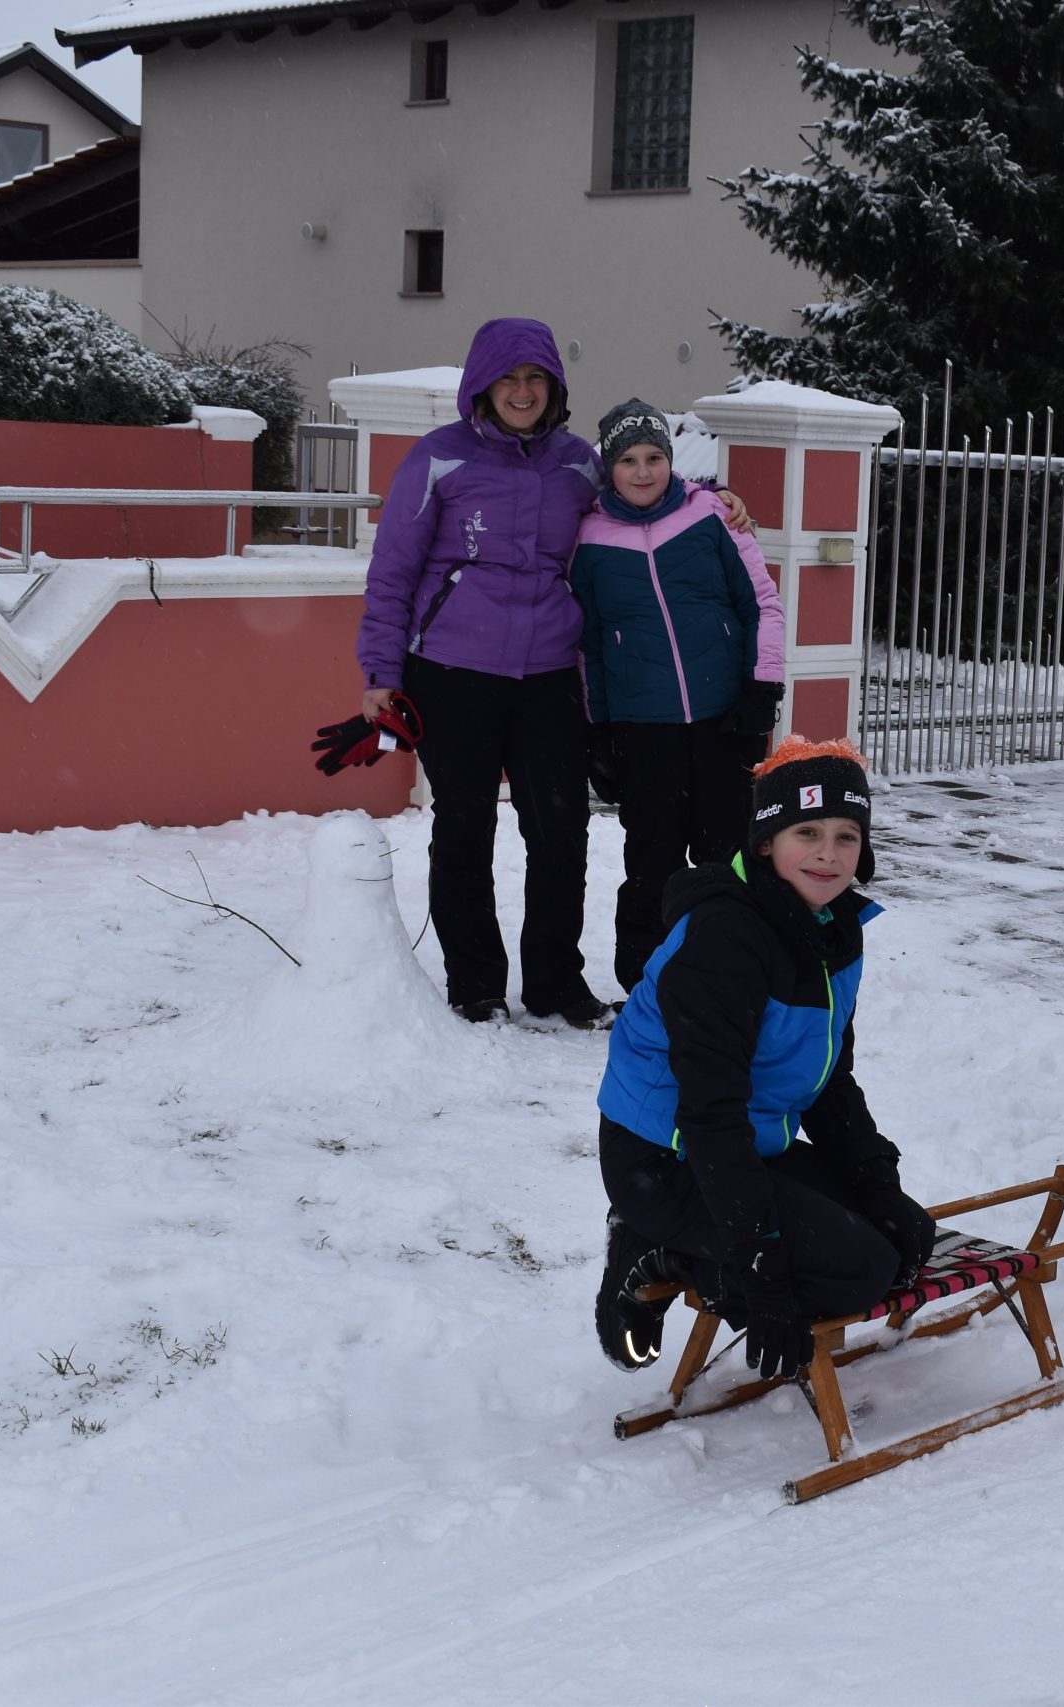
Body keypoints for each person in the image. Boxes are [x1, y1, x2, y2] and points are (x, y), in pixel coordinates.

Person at [350, 319, 745, 1028]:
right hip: (452, 669)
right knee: (463, 827)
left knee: (561, 832)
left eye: (536, 379)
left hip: (550, 676)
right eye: (509, 379)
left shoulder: (577, 463)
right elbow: (393, 572)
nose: (523, 392)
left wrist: (711, 497)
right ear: (483, 385)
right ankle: (475, 983)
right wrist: (381, 669)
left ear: (555, 387)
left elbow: (642, 491)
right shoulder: (437, 459)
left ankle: (557, 984)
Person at [589, 739, 937, 1382]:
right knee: (852, 1272)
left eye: (846, 835)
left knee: (899, 1241)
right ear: (767, 842)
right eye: (806, 831)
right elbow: (708, 1110)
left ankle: (699, 1242)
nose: (828, 853)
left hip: (745, 1146)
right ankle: (656, 1249)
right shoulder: (725, 939)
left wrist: (874, 1182)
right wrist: (757, 1269)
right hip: (666, 1156)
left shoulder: (833, 928)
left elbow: (829, 1079)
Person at [570, 399, 786, 998]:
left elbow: (761, 605)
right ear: (609, 468)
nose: (643, 472)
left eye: (656, 457)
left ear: (672, 460)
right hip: (645, 727)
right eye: (629, 460)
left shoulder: (713, 514)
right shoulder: (588, 537)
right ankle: (646, 980)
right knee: (652, 859)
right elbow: (588, 645)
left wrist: (761, 690)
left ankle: (740, 969)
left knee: (730, 852)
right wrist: (599, 730)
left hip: (723, 718)